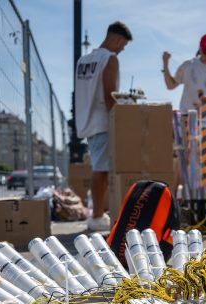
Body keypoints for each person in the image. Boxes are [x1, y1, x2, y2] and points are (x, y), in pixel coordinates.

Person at [74, 21, 133, 232]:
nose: (122, 50)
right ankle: (97, 217)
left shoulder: (84, 60)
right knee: (101, 169)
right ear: (117, 39)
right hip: (102, 120)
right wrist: (123, 121)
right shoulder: (110, 59)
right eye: (123, 45)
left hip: (87, 119)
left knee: (99, 167)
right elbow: (111, 96)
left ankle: (97, 213)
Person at [162, 33, 206, 113]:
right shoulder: (188, 65)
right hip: (186, 118)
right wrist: (165, 64)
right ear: (200, 50)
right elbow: (170, 85)